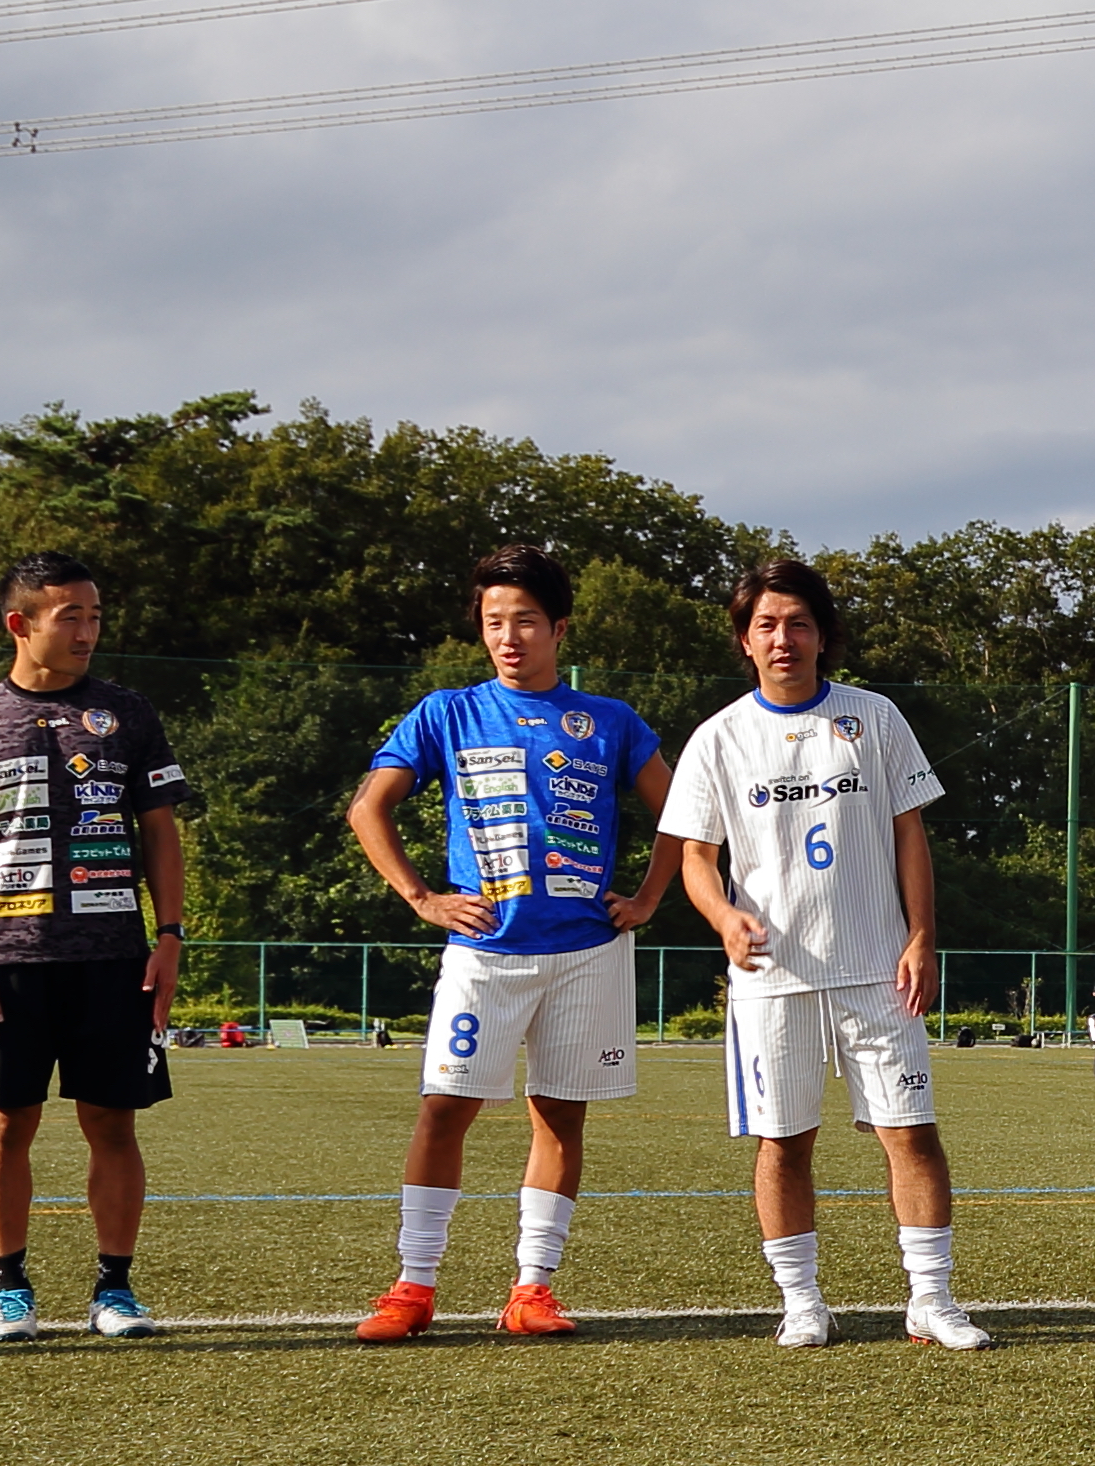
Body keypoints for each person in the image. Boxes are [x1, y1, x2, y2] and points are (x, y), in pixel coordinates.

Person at [346, 545, 678, 1341]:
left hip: (588, 954)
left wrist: (648, 896)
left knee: (560, 1118)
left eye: (524, 621)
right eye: (494, 622)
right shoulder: (447, 711)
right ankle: (413, 1286)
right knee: (443, 1110)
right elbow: (368, 808)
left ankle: (532, 1289)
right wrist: (422, 897)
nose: (508, 637)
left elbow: (684, 813)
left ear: (559, 628)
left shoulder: (610, 720)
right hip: (485, 953)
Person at [667, 556, 983, 1351]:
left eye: (798, 624)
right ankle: (802, 1301)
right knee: (785, 1141)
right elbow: (695, 860)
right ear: (746, 640)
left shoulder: (873, 717)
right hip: (774, 981)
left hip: (879, 970)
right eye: (767, 625)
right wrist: (724, 918)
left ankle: (932, 1301)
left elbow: (910, 833)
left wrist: (921, 935)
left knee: (911, 1130)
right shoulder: (719, 738)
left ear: (821, 635)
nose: (784, 639)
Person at [0, 550, 190, 1344]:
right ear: (21, 624)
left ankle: (116, 1288)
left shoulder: (128, 713)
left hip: (115, 961)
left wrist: (169, 936)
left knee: (114, 1123)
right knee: (7, 1122)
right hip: (10, 963)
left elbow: (160, 834)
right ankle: (10, 1289)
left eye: (95, 615)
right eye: (69, 615)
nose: (86, 631)